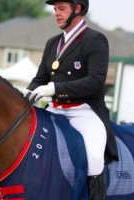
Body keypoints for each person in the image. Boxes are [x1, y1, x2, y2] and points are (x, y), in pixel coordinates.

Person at [25, 0, 118, 199]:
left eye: (61, 8)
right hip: (55, 110)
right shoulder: (53, 43)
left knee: (93, 157)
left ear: (77, 9)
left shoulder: (95, 40)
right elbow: (40, 79)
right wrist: (23, 95)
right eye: (55, 9)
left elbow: (95, 81)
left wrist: (55, 88)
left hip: (85, 111)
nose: (56, 13)